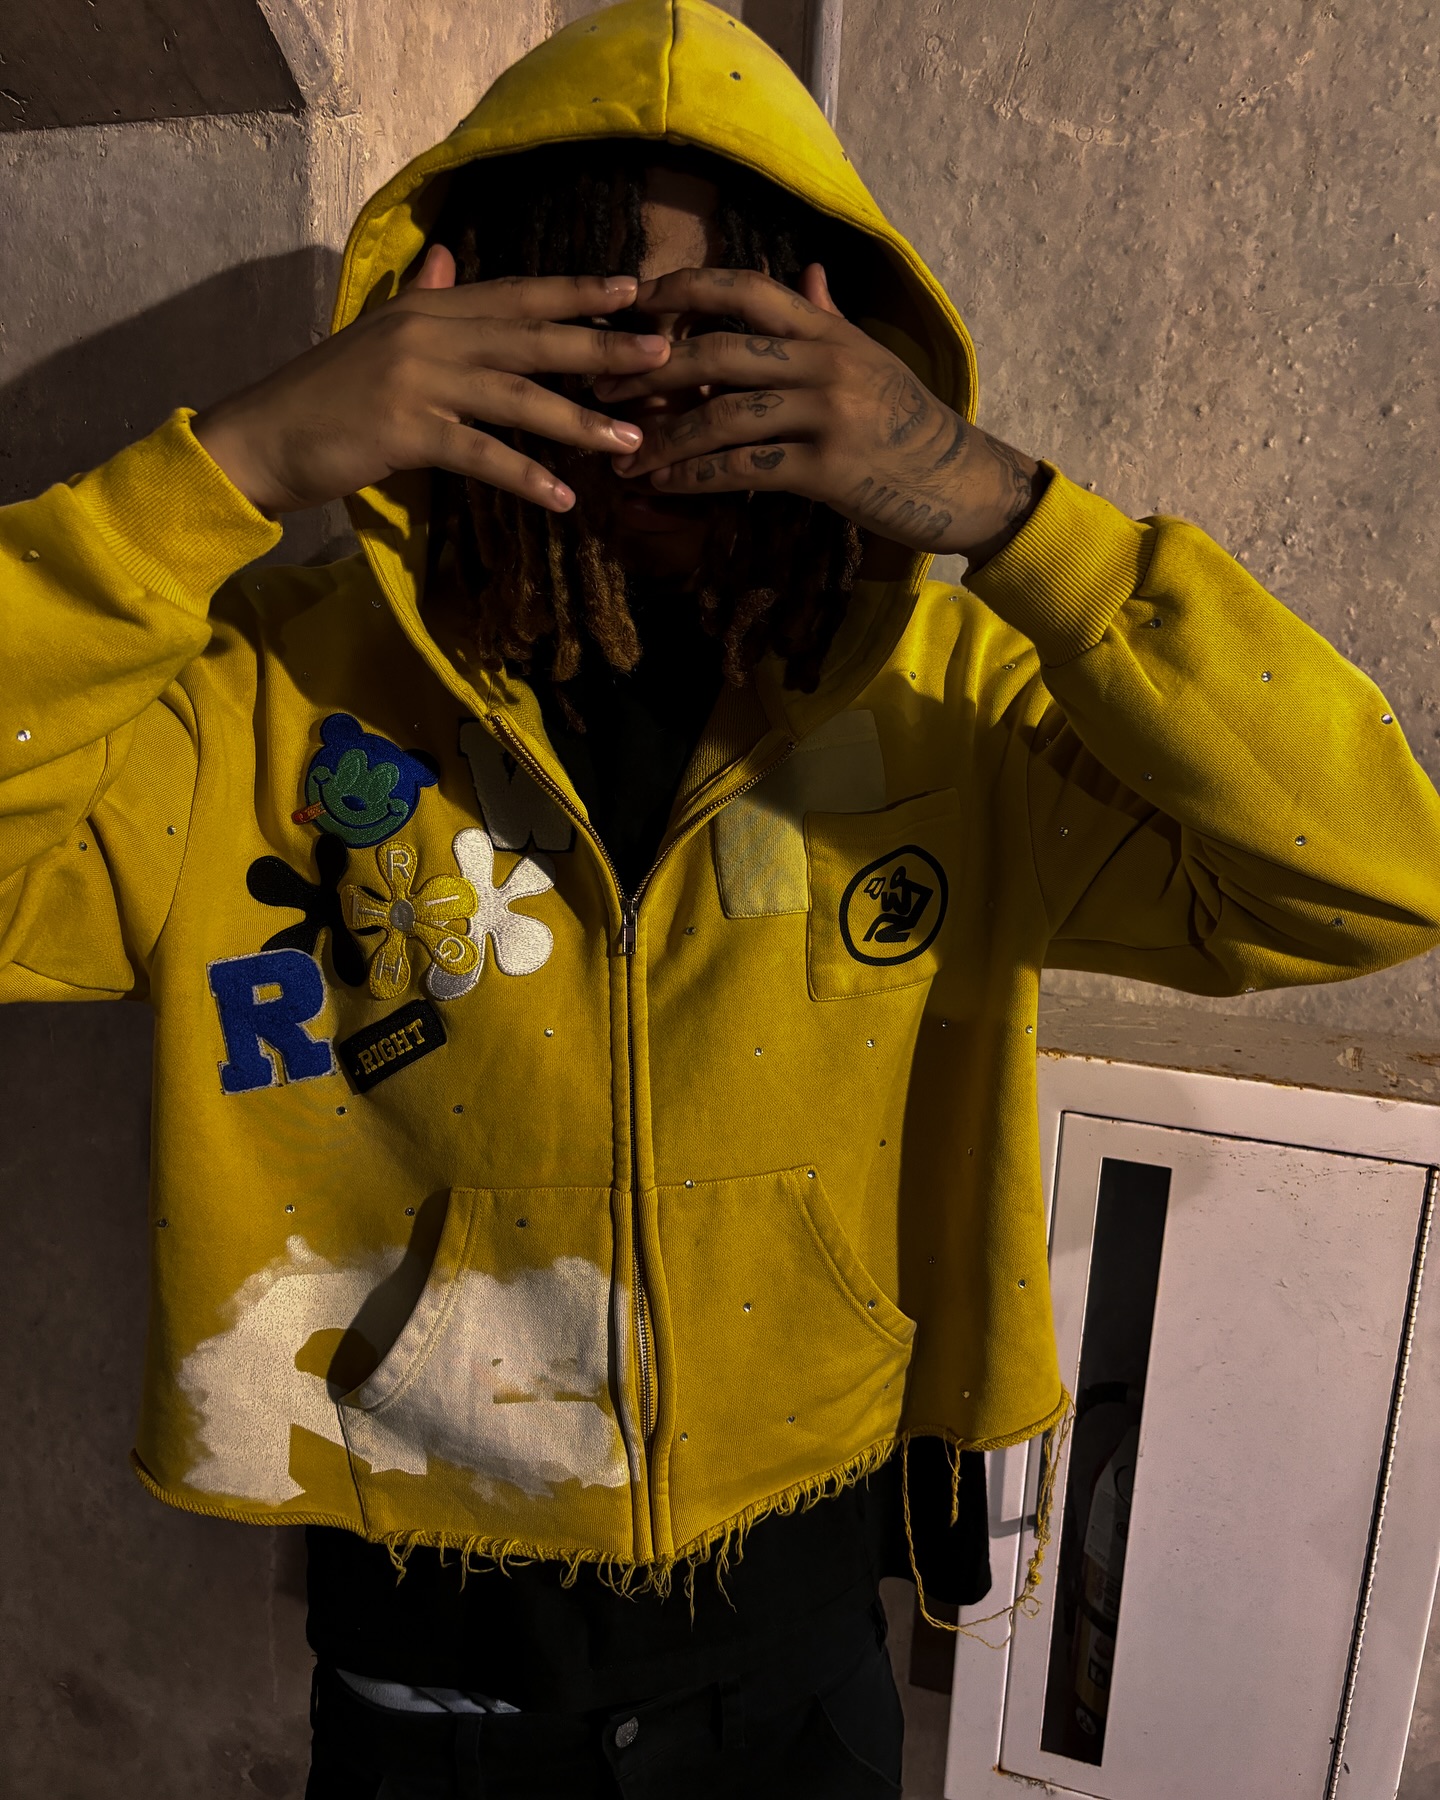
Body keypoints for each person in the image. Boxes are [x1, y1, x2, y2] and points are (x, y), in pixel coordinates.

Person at [5, 1, 1439, 1795]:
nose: (650, 394)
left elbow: (1371, 874)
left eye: (723, 331)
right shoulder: (269, 701)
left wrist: (1004, 510)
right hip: (435, 1670)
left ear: (846, 340)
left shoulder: (949, 702)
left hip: (803, 1644)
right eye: (584, 325)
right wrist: (233, 466)